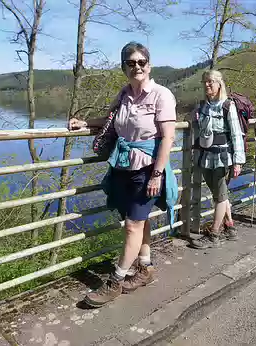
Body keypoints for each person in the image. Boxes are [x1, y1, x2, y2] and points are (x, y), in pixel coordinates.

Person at [68, 42, 177, 307]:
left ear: (149, 65)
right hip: (122, 167)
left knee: (132, 225)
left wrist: (157, 174)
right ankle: (146, 268)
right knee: (138, 222)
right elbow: (111, 121)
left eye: (141, 62)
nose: (137, 66)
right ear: (124, 67)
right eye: (131, 62)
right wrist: (85, 123)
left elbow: (168, 137)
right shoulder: (124, 94)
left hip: (147, 169)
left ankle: (115, 281)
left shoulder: (161, 95)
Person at [190, 70, 246, 249]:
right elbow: (200, 128)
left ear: (219, 84)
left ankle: (214, 234)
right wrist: (194, 119)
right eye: (205, 82)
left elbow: (236, 134)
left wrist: (238, 161)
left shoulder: (228, 105)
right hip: (206, 156)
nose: (207, 85)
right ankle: (230, 226)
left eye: (211, 82)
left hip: (223, 157)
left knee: (220, 196)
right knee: (218, 194)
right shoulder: (202, 106)